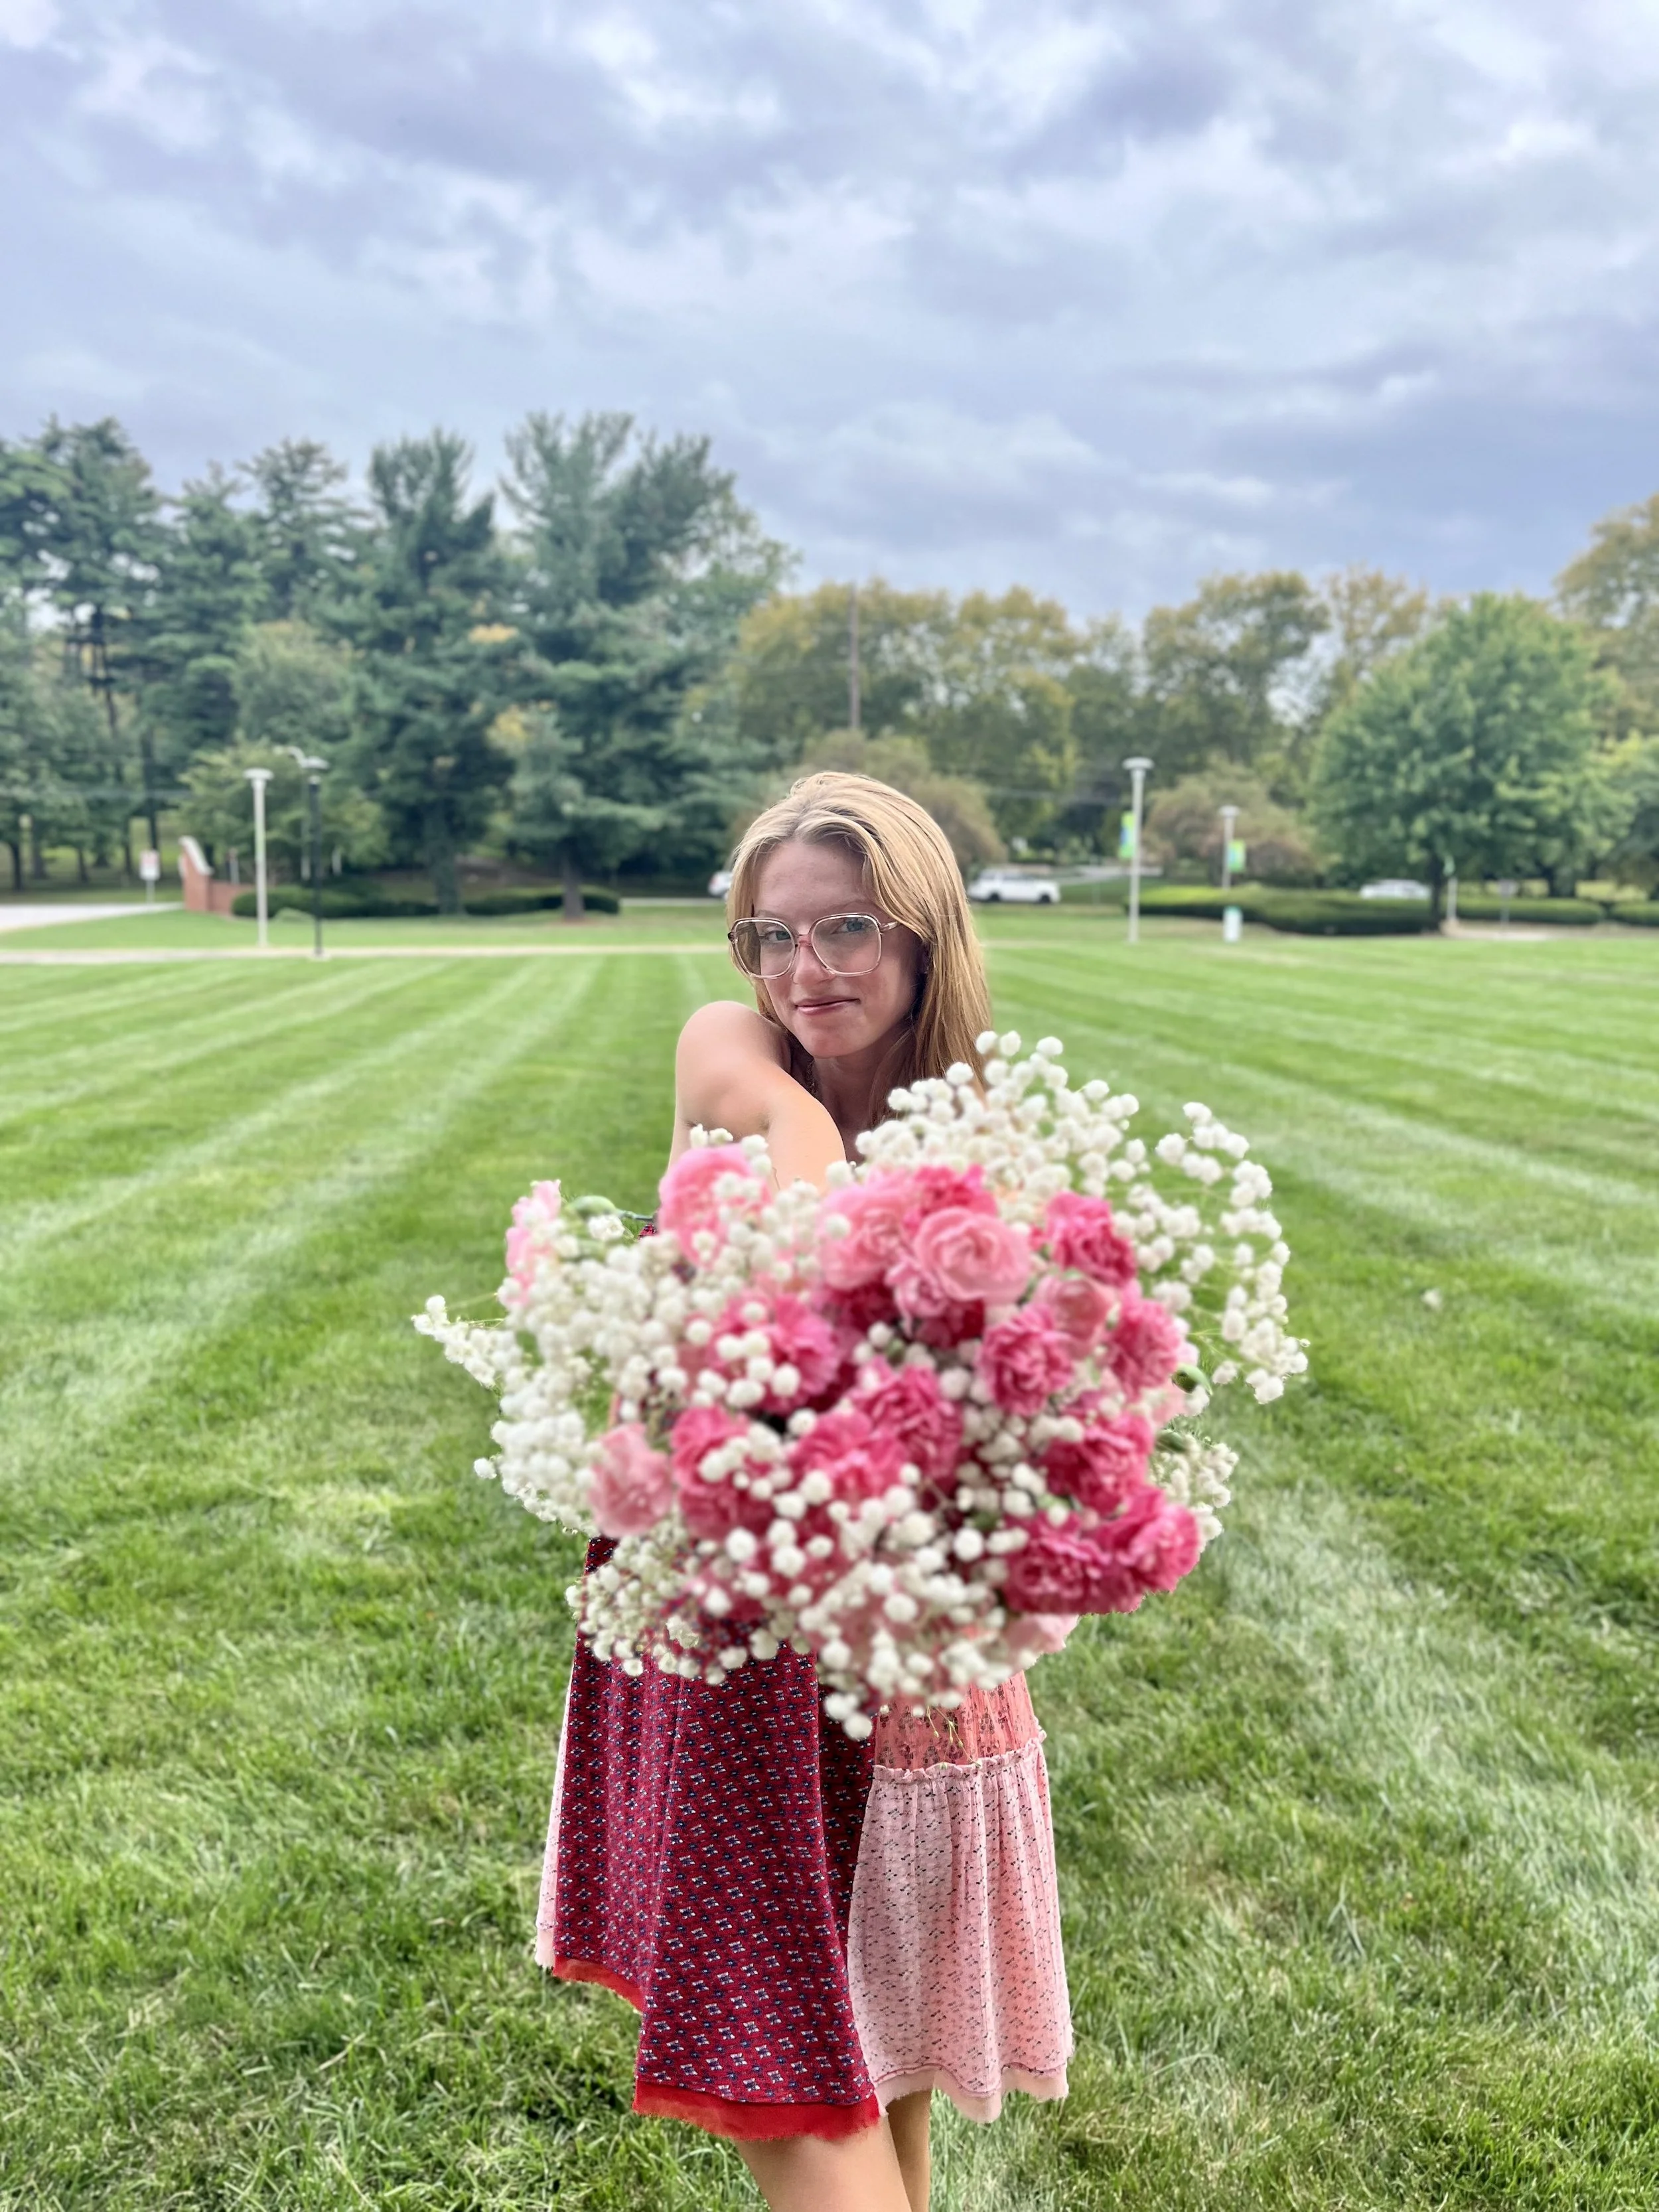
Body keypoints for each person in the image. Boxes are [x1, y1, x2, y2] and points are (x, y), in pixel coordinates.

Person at [538, 774, 1072, 2212]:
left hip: (898, 1670)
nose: (801, 970)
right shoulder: (730, 1051)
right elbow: (788, 1143)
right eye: (770, 936)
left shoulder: (989, 1149)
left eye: (844, 927)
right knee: (808, 2061)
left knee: (854, 2081)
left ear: (922, 933)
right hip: (725, 1643)